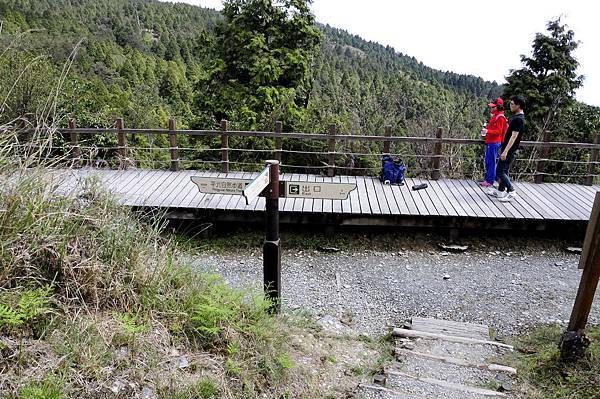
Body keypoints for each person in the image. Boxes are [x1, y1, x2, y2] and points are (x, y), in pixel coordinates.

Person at [487, 95, 526, 202]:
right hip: (507, 149)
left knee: (500, 171)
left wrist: (505, 151)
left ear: (519, 106)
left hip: (510, 150)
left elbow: (514, 136)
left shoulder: (519, 119)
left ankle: (511, 191)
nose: (510, 105)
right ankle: (500, 192)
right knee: (504, 171)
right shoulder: (515, 117)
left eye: (512, 104)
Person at [479, 98, 508, 187]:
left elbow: (498, 131)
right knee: (489, 161)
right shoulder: (496, 116)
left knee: (490, 162)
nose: (491, 109)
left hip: (494, 142)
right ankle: (495, 178)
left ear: (498, 107)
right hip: (491, 142)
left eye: (493, 107)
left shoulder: (500, 118)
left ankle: (490, 181)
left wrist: (487, 131)